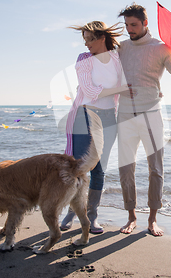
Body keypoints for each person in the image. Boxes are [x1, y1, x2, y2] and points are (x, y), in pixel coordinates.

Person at [116, 3, 171, 236]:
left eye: (133, 25)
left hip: (152, 114)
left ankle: (152, 219)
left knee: (156, 169)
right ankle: (131, 216)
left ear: (145, 23)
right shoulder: (120, 48)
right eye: (126, 26)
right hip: (124, 115)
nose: (129, 30)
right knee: (125, 168)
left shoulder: (161, 48)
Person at [60, 21, 127, 233]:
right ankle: (72, 211)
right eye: (85, 40)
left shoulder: (118, 58)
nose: (86, 44)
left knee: (99, 169)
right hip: (83, 115)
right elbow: (89, 90)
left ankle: (92, 216)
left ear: (102, 38)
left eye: (90, 39)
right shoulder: (84, 59)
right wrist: (121, 88)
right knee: (78, 167)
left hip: (108, 117)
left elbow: (129, 81)